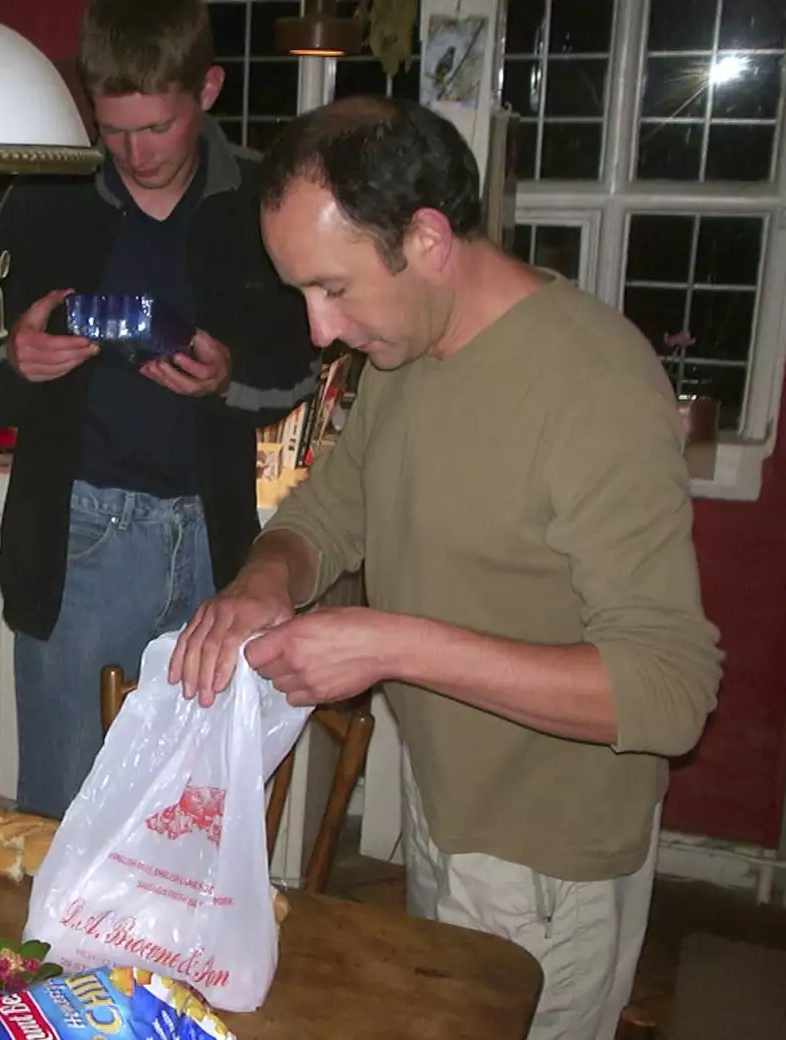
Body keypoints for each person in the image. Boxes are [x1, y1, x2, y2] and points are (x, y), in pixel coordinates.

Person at [169, 96, 723, 1040]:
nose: (317, 330)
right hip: (445, 807)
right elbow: (330, 509)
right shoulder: (402, 354)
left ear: (427, 240)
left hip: (551, 860)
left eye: (333, 288)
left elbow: (672, 692)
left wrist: (391, 645)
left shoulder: (595, 386)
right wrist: (269, 577)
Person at [0, 0, 316, 819]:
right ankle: (54, 956)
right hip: (78, 542)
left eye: (158, 126)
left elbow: (300, 371)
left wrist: (226, 378)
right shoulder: (45, 197)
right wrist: (13, 359)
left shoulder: (260, 200)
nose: (136, 152)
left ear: (209, 88)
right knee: (64, 810)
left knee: (185, 818)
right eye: (114, 128)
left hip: (214, 542)